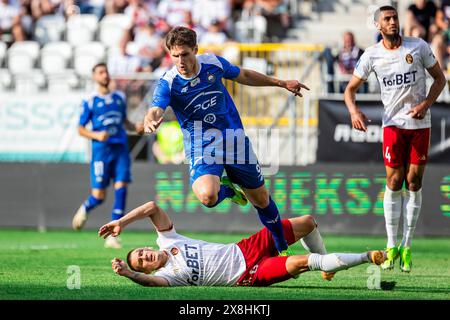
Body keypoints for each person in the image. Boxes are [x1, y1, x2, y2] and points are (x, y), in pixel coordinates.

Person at [143, 26, 309, 256]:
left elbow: (245, 75)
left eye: (185, 54)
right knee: (207, 196)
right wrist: (150, 119)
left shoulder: (213, 64)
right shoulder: (168, 82)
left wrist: (281, 83)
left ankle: (280, 245)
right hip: (202, 143)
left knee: (261, 199)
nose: (180, 61)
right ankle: (229, 191)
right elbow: (155, 108)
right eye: (175, 55)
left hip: (233, 139)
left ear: (195, 50)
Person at [344, 6, 446, 272]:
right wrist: (354, 110)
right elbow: (350, 89)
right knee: (394, 180)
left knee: (414, 182)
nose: (392, 22)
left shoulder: (418, 46)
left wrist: (425, 104)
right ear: (378, 25)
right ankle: (391, 245)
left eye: (394, 18)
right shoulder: (372, 55)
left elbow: (440, 79)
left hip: (420, 124)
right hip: (392, 126)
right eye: (387, 19)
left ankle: (407, 246)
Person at [98, 200, 386, 287]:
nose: (145, 257)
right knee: (302, 263)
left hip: (245, 247)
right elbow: (148, 284)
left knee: (309, 221)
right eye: (142, 263)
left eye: (141, 253)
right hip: (246, 274)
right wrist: (129, 274)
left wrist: (121, 222)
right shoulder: (166, 276)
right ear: (147, 271)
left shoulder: (168, 239)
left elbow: (150, 206)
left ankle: (328, 267)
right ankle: (366, 256)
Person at [72, 63, 145, 249]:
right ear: (94, 77)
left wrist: (135, 128)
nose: (105, 75)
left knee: (121, 188)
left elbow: (124, 122)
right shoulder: (90, 100)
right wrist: (96, 135)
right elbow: (80, 129)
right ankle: (85, 208)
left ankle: (113, 236)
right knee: (99, 196)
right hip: (101, 152)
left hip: (120, 148)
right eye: (100, 72)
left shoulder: (119, 97)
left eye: (106, 72)